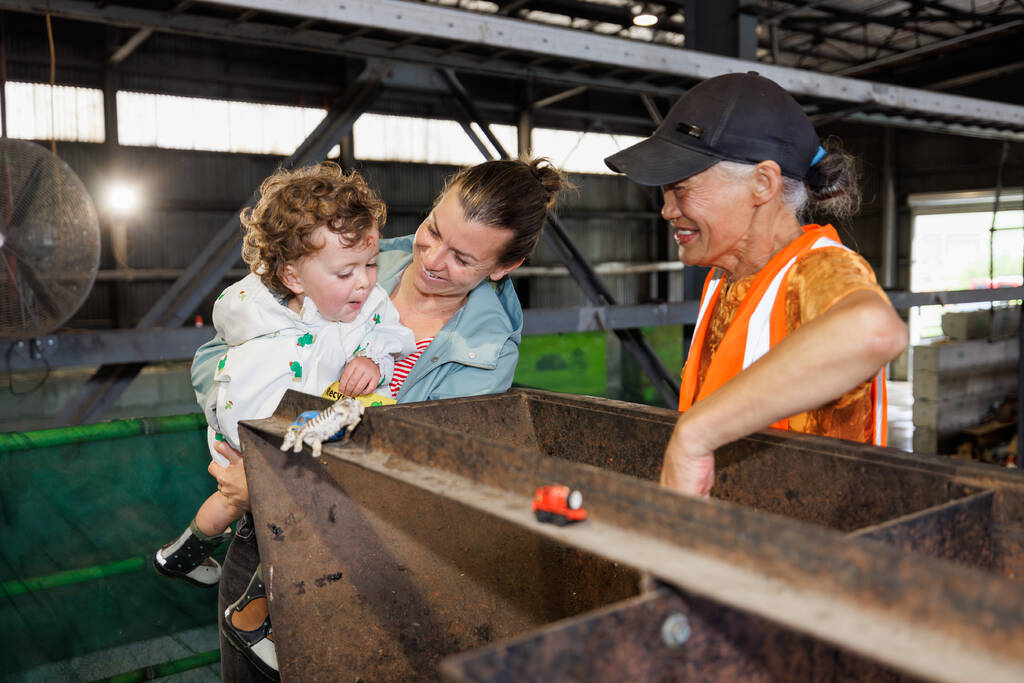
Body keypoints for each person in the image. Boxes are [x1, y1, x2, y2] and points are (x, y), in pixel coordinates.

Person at [194, 157, 572, 680]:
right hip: (258, 534)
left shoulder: (484, 353)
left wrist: (266, 478)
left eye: (462, 258)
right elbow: (216, 353)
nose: (432, 259)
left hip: (353, 553)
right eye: (433, 229)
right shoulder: (354, 253)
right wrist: (238, 428)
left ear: (503, 268)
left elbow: (415, 472)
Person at [153, 162, 414, 678]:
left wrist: (373, 360)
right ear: (292, 276)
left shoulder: (358, 302)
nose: (364, 283)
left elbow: (388, 337)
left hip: (261, 429)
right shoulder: (262, 308)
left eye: (370, 263)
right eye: (346, 273)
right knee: (302, 507)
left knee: (235, 497)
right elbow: (225, 347)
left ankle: (183, 552)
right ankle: (255, 617)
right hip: (256, 422)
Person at [604, 72, 908, 498]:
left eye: (682, 189)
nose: (667, 210)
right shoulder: (723, 279)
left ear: (762, 183)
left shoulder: (815, 270)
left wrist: (694, 435)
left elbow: (873, 330)